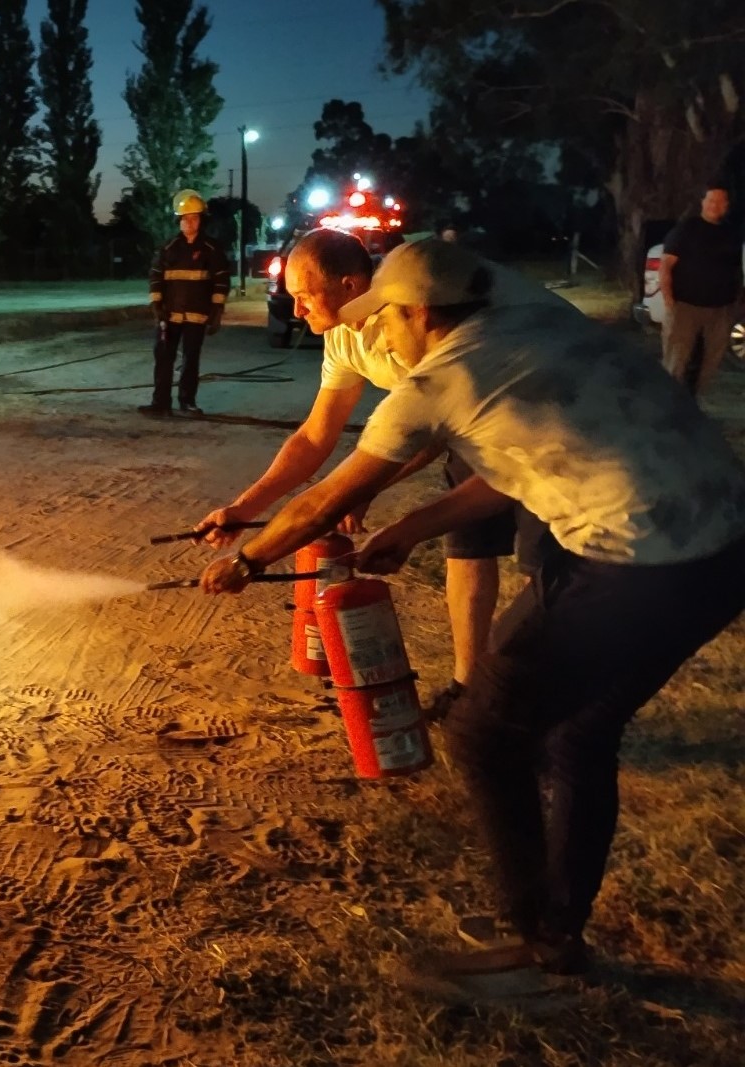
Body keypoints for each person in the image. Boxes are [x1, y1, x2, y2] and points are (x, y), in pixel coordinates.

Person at [201, 239, 745, 978]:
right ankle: (557, 929)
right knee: (579, 733)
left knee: (484, 732)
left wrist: (245, 558)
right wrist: (408, 529)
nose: (376, 334)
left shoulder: (438, 381)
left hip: (639, 561)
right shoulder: (532, 329)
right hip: (719, 548)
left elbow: (328, 497)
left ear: (419, 312)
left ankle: (535, 950)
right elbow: (513, 473)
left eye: (383, 317)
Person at [200, 229, 572, 716]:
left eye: (304, 296)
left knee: (546, 564)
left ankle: (546, 699)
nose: (296, 312)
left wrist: (251, 559)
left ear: (356, 287)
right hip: (466, 426)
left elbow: (425, 433)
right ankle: (466, 687)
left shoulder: (427, 329)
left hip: (539, 414)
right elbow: (315, 437)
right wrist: (244, 508)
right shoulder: (344, 333)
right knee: (467, 546)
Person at [142, 189, 231, 417]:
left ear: (201, 220)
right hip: (169, 316)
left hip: (197, 315)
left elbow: (221, 281)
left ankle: (187, 402)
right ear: (179, 221)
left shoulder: (212, 249)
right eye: (185, 218)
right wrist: (156, 307)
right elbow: (155, 277)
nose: (189, 222)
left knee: (191, 360)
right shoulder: (167, 248)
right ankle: (160, 403)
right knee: (163, 358)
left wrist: (217, 312)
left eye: (194, 217)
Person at [659, 184, 743, 396]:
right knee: (676, 360)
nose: (716, 205)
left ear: (727, 206)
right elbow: (666, 265)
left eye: (721, 201)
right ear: (703, 203)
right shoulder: (686, 229)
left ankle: (694, 403)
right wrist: (669, 301)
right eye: (711, 200)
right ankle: (669, 406)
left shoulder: (731, 234)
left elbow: (736, 270)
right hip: (686, 307)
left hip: (720, 311)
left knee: (711, 360)